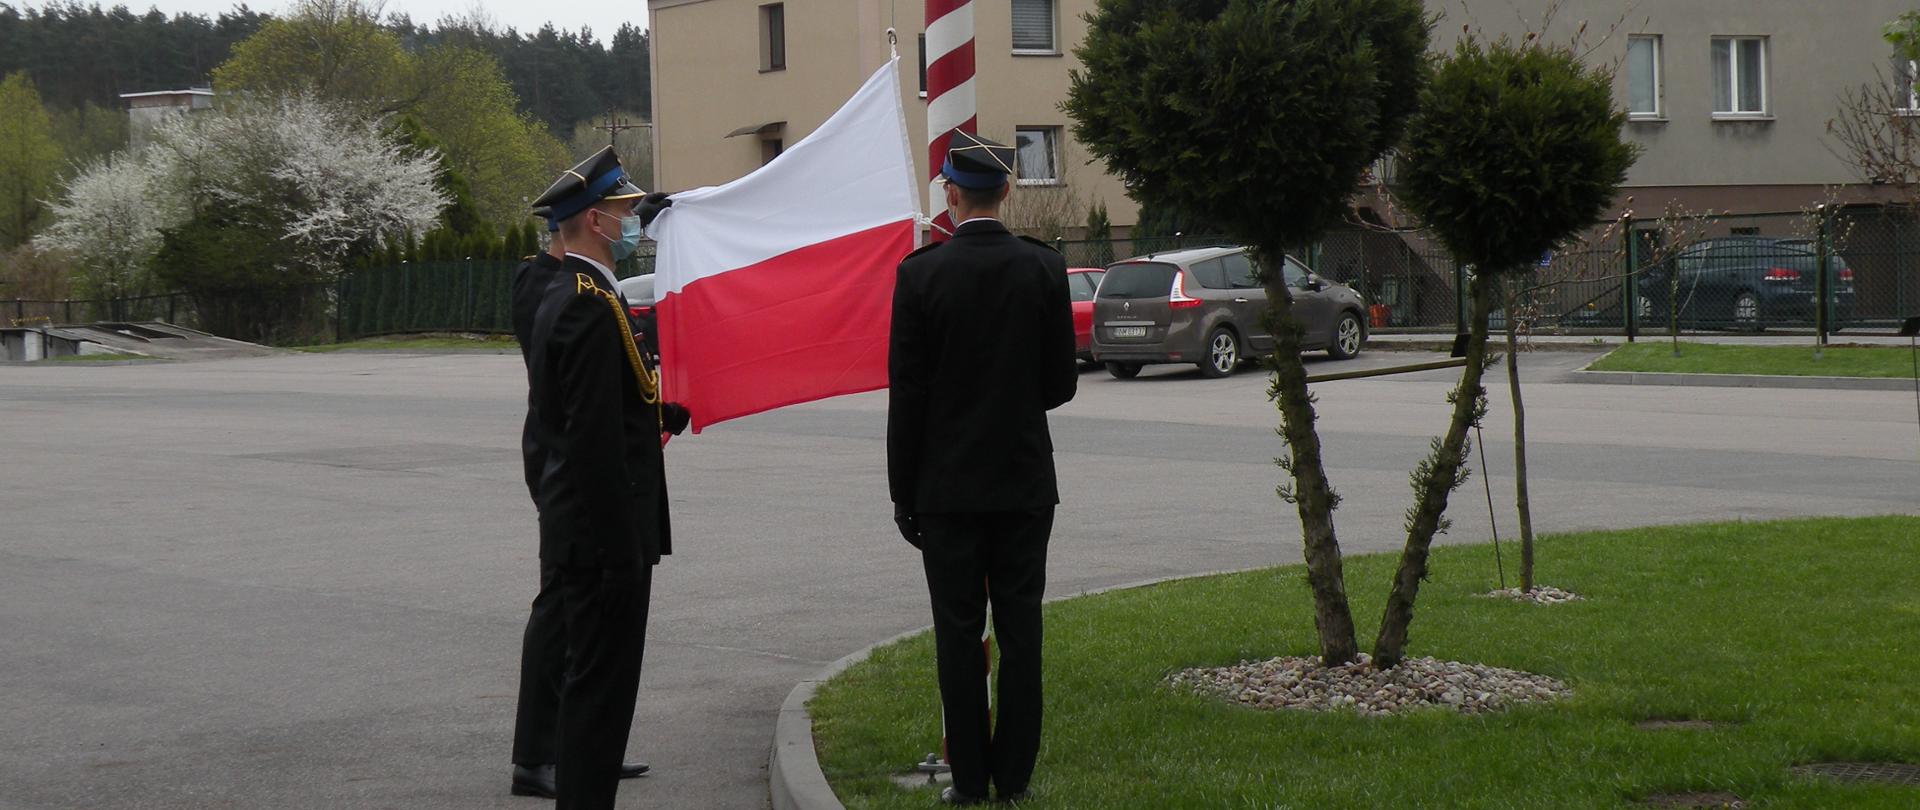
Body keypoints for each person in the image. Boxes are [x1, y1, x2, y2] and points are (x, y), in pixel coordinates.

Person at [887, 131, 1078, 806]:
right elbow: (1061, 385)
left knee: (959, 636)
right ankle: (1014, 778)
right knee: (1022, 633)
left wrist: (902, 493)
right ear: (1006, 191)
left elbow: (906, 397)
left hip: (944, 489)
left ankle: (969, 779)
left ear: (950, 193)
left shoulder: (918, 275)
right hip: (1024, 481)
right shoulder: (1043, 268)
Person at [520, 146, 683, 809]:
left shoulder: (577, 292)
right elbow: (589, 442)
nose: (630, 220)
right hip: (601, 539)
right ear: (593, 221)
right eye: (621, 211)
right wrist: (621, 554)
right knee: (599, 701)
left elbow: (601, 408)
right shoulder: (587, 303)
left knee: (597, 700)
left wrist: (661, 412)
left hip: (586, 531)